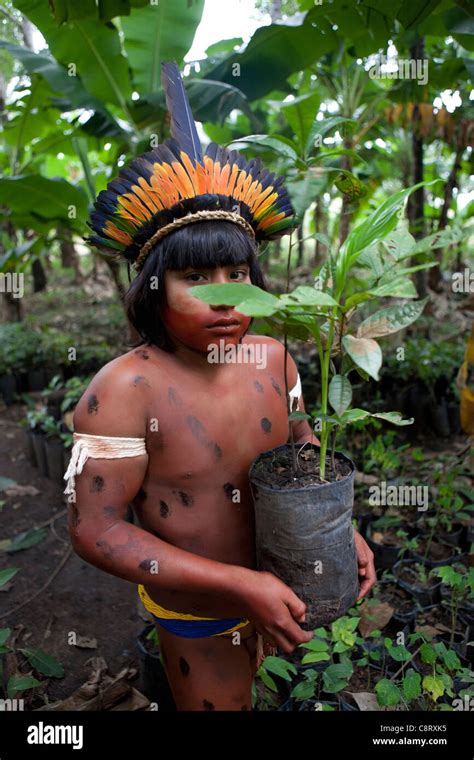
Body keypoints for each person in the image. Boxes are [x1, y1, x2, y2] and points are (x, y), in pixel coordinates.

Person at [64, 62, 376, 711]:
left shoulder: (275, 359)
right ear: (152, 288)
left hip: (280, 582)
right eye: (198, 279)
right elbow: (96, 530)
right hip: (199, 611)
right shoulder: (121, 391)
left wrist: (340, 529)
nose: (226, 297)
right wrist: (234, 584)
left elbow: (304, 450)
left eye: (238, 273)